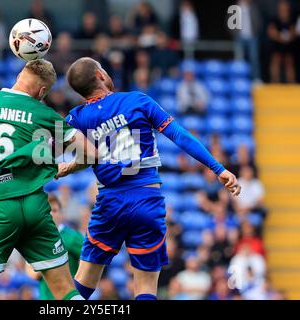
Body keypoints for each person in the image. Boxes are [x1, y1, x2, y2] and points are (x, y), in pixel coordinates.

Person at [57, 57, 241, 300]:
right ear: (101, 75)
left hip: (109, 203)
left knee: (83, 280)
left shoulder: (77, 117)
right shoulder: (137, 100)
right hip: (146, 198)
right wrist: (219, 169)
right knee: (145, 287)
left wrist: (60, 168)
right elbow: (180, 135)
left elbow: (52, 148)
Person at [0, 59, 96, 300]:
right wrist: (66, 168)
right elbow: (91, 153)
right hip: (36, 207)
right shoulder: (44, 114)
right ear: (42, 92)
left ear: (19, 76)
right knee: (66, 293)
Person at [26, 194, 84, 300]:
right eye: (47, 211)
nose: (51, 214)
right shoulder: (35, 239)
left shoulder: (72, 237)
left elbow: (88, 263)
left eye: (55, 210)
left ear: (61, 214)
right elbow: (31, 273)